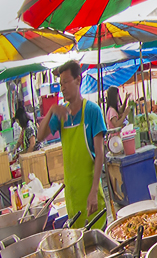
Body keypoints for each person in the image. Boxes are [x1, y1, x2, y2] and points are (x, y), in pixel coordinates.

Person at [33, 59, 108, 227]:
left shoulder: (92, 111)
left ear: (78, 80)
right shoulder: (60, 114)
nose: (63, 87)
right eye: (61, 84)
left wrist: (94, 191)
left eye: (66, 82)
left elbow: (99, 155)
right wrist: (52, 110)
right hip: (72, 196)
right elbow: (40, 136)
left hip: (91, 194)